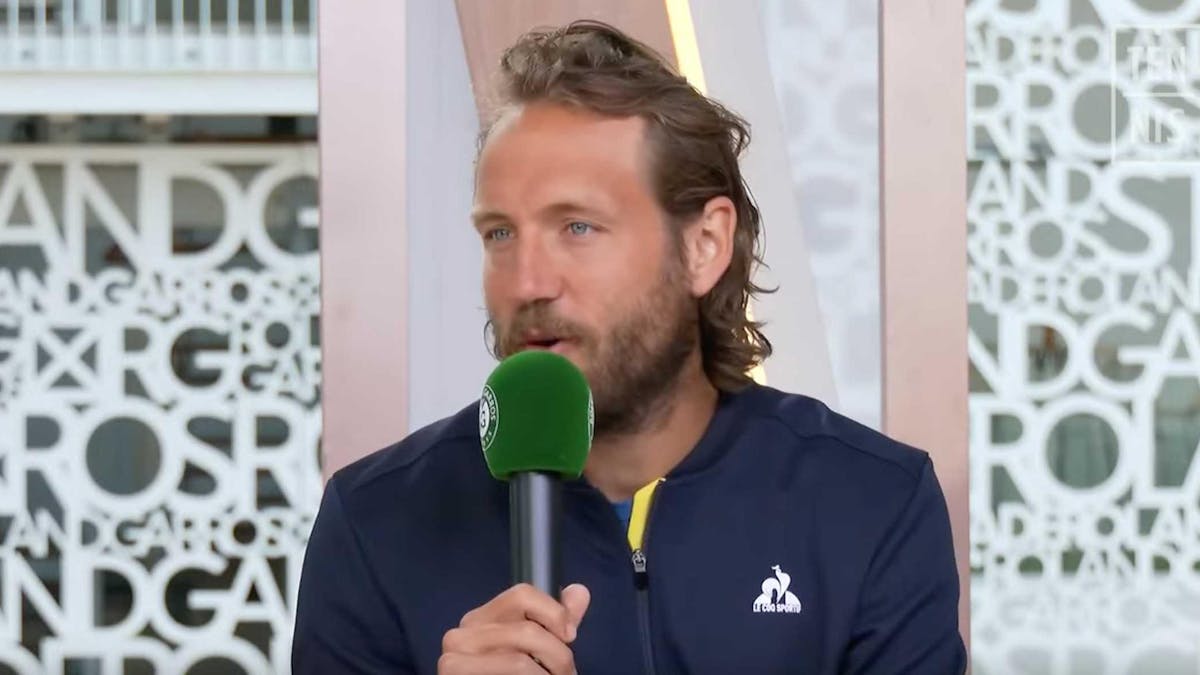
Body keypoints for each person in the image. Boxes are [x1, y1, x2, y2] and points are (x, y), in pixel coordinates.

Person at [293, 20, 967, 675]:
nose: (527, 282)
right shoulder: (376, 522)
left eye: (577, 227)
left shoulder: (871, 503)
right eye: (500, 234)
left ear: (703, 245)